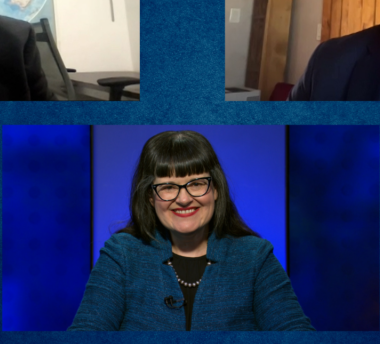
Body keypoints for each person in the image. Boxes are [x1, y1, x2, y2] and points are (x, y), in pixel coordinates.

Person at [68, 131, 314, 331]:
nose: (184, 199)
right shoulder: (121, 253)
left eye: (197, 184)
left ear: (216, 190)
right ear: (150, 198)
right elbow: (84, 342)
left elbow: (299, 342)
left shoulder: (255, 257)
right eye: (167, 187)